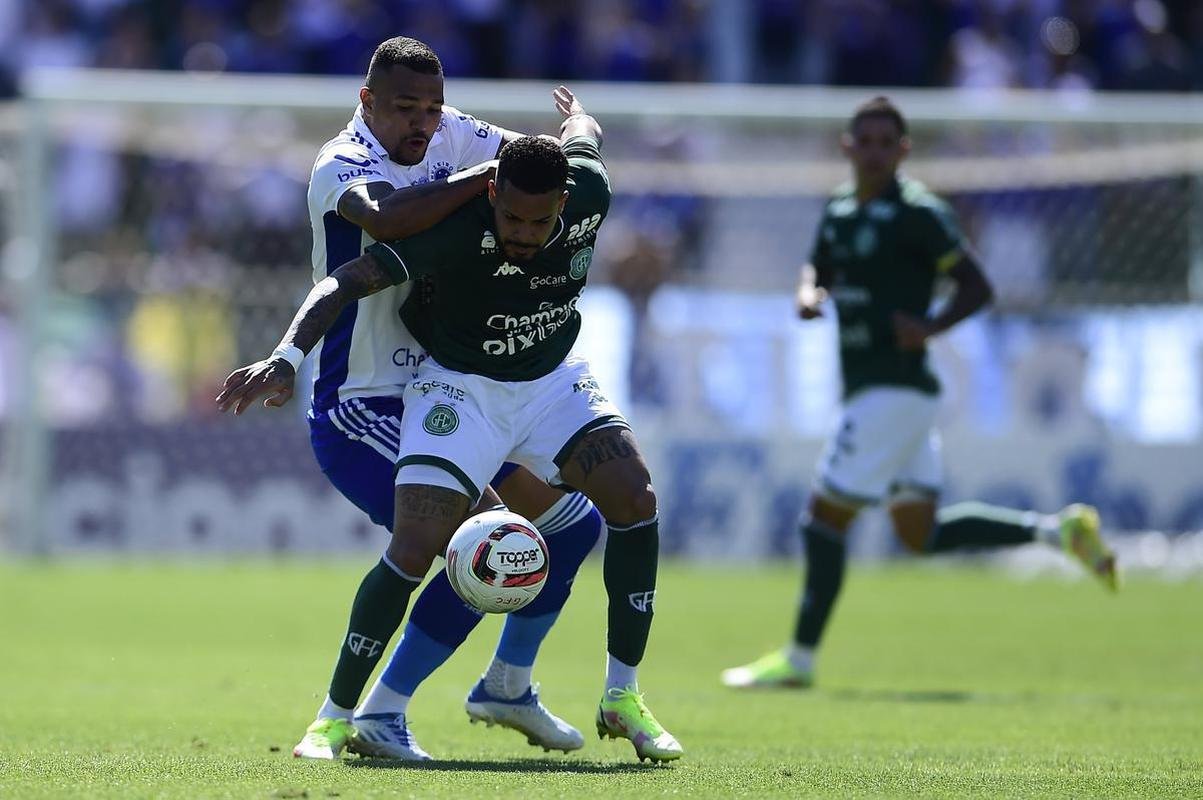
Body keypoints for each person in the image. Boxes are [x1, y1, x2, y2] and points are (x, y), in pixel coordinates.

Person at [217, 87, 683, 764]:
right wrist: (287, 356)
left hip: (551, 379)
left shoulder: (588, 189)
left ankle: (594, 693)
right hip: (453, 388)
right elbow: (348, 278)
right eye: (511, 218)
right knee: (448, 544)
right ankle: (341, 717)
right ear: (494, 198)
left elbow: (585, 135)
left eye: (537, 221)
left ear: (564, 204)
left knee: (623, 504)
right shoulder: (458, 225)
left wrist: (573, 116)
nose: (521, 234)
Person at [722, 96, 1119, 690]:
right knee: (919, 533)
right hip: (883, 391)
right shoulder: (837, 208)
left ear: (904, 151)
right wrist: (810, 294)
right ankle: (1059, 531)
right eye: (867, 140)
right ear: (847, 147)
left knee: (821, 521)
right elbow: (818, 266)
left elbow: (977, 286)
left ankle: (799, 659)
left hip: (893, 389)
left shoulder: (919, 212)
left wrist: (931, 325)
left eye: (889, 142)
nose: (877, 151)